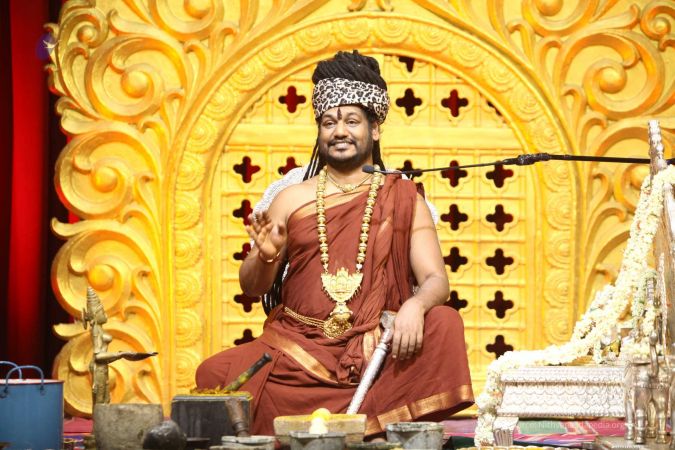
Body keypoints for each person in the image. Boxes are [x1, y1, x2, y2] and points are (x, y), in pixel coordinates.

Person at [196, 50, 473, 436]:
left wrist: (416, 304)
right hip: (298, 349)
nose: (339, 131)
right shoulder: (292, 197)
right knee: (213, 373)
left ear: (374, 129)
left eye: (351, 121)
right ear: (319, 132)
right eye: (329, 122)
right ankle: (363, 425)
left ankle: (354, 422)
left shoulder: (404, 196)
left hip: (375, 349)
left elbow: (436, 280)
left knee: (444, 322)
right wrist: (266, 256)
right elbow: (252, 287)